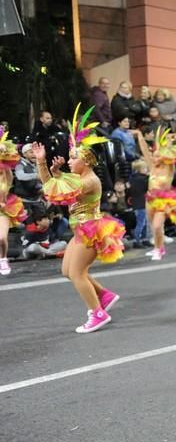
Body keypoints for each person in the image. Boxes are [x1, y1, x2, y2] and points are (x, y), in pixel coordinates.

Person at [33, 106, 125, 333]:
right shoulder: (77, 176)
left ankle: (98, 314)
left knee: (77, 273)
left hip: (90, 229)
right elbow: (51, 186)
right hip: (79, 229)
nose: (69, 161)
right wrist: (42, 163)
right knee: (67, 271)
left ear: (86, 161)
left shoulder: (90, 180)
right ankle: (103, 295)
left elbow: (61, 191)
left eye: (74, 158)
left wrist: (57, 175)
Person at [135, 127, 176, 261]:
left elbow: (170, 155)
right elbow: (145, 150)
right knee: (155, 227)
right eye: (154, 155)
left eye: (157, 155)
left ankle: (159, 249)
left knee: (157, 225)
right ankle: (158, 247)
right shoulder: (152, 167)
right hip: (150, 199)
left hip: (165, 200)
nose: (154, 158)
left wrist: (168, 143)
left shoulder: (169, 168)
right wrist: (140, 135)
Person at [0, 130, 28, 275]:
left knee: (2, 238)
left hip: (3, 207)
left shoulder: (5, 171)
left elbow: (8, 183)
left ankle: (3, 258)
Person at [128, 159, 150, 248]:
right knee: (141, 223)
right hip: (140, 204)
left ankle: (144, 239)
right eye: (144, 168)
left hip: (140, 203)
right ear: (138, 170)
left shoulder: (133, 179)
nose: (146, 170)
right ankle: (137, 241)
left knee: (144, 223)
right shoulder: (140, 179)